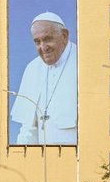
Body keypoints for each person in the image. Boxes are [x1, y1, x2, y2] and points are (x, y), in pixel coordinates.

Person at [11, 11, 78, 145]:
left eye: (47, 39)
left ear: (64, 36)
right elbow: (29, 128)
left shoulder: (83, 62)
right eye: (37, 42)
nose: (43, 47)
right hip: (45, 159)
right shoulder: (32, 68)